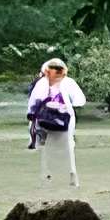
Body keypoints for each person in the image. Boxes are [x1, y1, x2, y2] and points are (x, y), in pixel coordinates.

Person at [25, 58, 84, 186]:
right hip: (64, 120)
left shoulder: (41, 83)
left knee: (46, 147)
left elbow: (33, 104)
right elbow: (80, 100)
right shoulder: (69, 82)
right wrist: (64, 105)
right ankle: (71, 174)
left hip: (45, 120)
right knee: (68, 146)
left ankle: (48, 175)